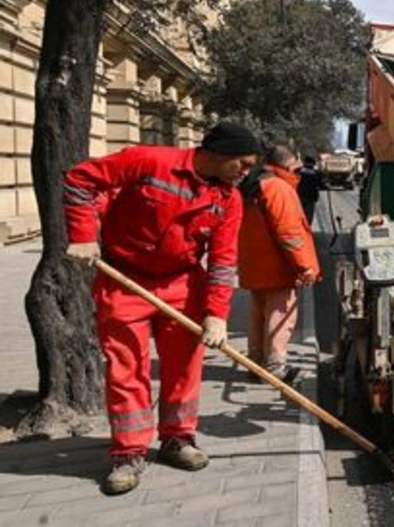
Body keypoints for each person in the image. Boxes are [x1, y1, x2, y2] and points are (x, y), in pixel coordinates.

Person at [63, 122, 262, 495]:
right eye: (244, 163)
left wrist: (217, 313)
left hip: (183, 285)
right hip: (124, 280)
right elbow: (79, 179)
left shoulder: (228, 199)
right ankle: (127, 453)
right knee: (125, 369)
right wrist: (83, 235)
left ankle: (178, 439)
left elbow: (222, 261)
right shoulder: (149, 161)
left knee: (184, 367)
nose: (247, 172)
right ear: (218, 153)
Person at [237, 145, 320, 384]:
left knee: (258, 314)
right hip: (277, 266)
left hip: (253, 263)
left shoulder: (253, 185)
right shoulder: (278, 188)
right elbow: (289, 233)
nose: (299, 172)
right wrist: (305, 266)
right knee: (280, 314)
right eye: (296, 166)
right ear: (286, 165)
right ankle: (275, 366)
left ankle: (255, 362)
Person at [296, 155, 322, 225]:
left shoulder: (298, 171)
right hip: (310, 197)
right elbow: (320, 184)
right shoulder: (316, 173)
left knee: (298, 214)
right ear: (313, 164)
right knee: (308, 216)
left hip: (299, 195)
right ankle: (306, 229)